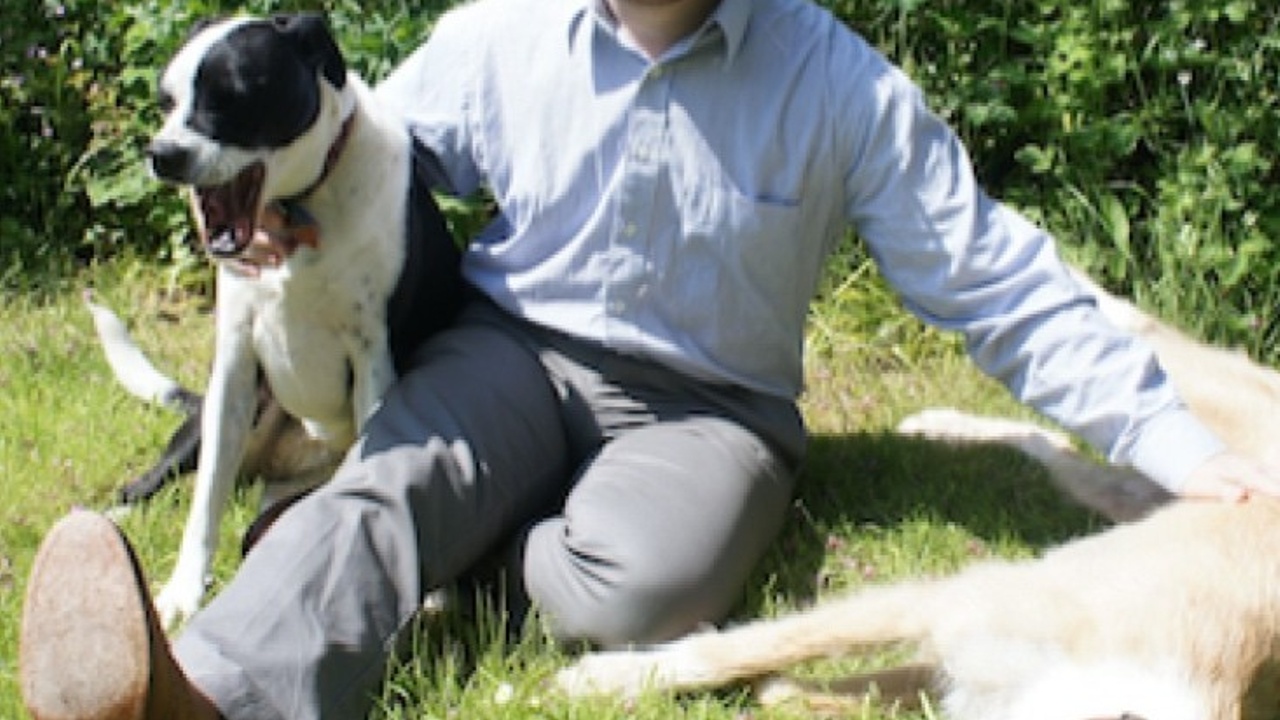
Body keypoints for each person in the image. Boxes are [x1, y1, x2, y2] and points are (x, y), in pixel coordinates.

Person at [20, 0, 1280, 718]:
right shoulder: (501, 35)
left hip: (708, 410)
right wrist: (277, 208)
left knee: (633, 592)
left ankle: (407, 556)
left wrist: (1171, 445)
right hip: (510, 351)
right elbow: (363, 138)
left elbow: (991, 278)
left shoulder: (836, 83)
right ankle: (205, 693)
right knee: (397, 476)